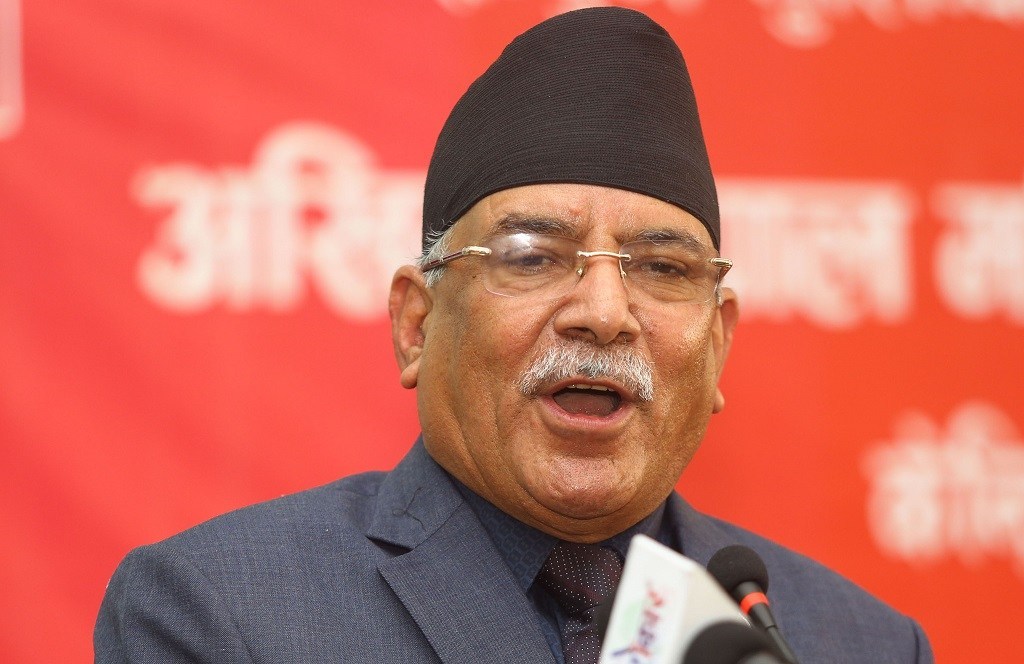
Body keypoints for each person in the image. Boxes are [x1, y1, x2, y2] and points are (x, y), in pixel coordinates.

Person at [95, 7, 933, 663]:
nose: (604, 312)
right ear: (416, 324)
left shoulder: (856, 644)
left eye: (662, 268)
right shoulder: (222, 613)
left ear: (718, 346)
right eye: (533, 257)